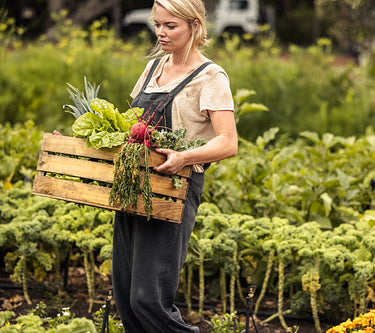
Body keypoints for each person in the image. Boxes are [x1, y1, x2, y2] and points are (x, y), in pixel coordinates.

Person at [111, 0, 238, 332]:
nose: (160, 32)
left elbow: (228, 142)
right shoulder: (154, 68)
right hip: (135, 185)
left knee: (148, 300)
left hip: (173, 190)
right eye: (158, 24)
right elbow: (133, 123)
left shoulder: (210, 77)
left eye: (170, 26)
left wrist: (184, 157)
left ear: (194, 26)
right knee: (125, 299)